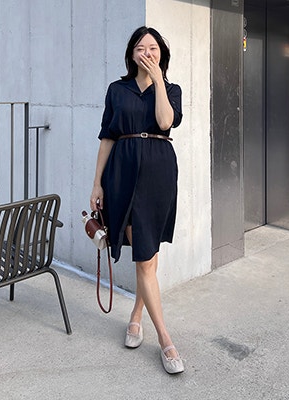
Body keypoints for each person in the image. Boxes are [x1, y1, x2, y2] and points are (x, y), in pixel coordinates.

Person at [90, 26, 184, 374]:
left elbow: (165, 121)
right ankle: (165, 340)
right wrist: (97, 183)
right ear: (132, 54)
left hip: (159, 175)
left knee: (149, 255)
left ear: (161, 54)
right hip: (122, 175)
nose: (148, 52)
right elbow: (107, 137)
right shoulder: (117, 90)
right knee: (144, 258)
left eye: (153, 48)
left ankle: (135, 316)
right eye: (141, 48)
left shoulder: (171, 90)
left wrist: (158, 80)